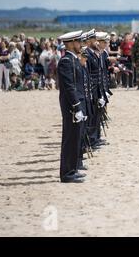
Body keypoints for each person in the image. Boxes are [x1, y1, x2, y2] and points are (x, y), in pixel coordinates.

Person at [57, 30, 87, 184]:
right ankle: (67, 173)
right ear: (70, 43)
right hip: (71, 105)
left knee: (76, 138)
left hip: (78, 103)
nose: (80, 44)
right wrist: (76, 106)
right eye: (77, 42)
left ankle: (73, 169)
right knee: (70, 139)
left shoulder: (74, 60)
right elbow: (69, 87)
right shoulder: (66, 61)